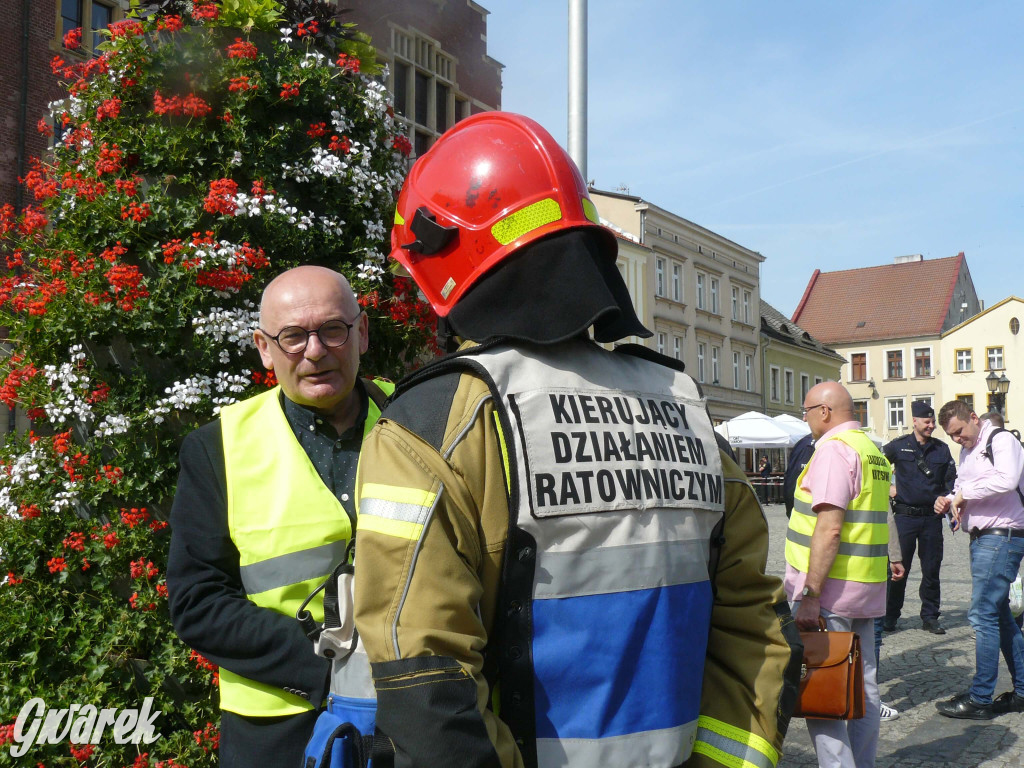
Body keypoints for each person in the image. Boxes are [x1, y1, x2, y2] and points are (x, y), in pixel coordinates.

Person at [351, 112, 800, 768]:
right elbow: (756, 629)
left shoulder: (434, 424)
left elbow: (425, 681)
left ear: (442, 259)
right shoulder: (684, 405)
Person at [166, 266, 394, 768]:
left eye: (333, 330)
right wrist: (328, 669)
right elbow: (197, 600)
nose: (314, 351)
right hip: (276, 728)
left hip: (409, 714)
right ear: (264, 348)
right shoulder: (217, 447)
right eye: (292, 336)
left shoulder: (420, 421)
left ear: (362, 332)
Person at [787, 381, 891, 767]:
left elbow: (829, 528)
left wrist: (810, 593)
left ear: (825, 412)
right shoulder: (872, 450)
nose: (805, 417)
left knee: (824, 691)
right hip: (864, 586)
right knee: (863, 687)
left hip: (830, 591)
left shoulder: (833, 451)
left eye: (807, 410)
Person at [933, 401, 1024, 719]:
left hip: (1002, 537)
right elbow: (961, 487)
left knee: (982, 616)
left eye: (959, 431)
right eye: (951, 436)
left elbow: (1007, 480)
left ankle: (981, 698)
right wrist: (948, 501)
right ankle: (1023, 692)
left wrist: (965, 492)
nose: (957, 439)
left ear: (973, 418)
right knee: (1000, 617)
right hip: (983, 538)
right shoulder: (967, 450)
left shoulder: (1000, 439)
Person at [880, 400, 956, 635]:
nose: (931, 425)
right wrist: (887, 487)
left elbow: (951, 482)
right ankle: (890, 615)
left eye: (933, 422)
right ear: (914, 421)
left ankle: (930, 616)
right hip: (904, 517)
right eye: (927, 421)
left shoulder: (941, 450)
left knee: (931, 569)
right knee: (897, 568)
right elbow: (876, 468)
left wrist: (946, 499)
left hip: (931, 519)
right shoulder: (898, 447)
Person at [783, 433, 815, 517]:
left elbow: (790, 482)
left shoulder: (802, 443)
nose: (804, 419)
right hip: (808, 518)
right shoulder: (803, 444)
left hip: (800, 517)